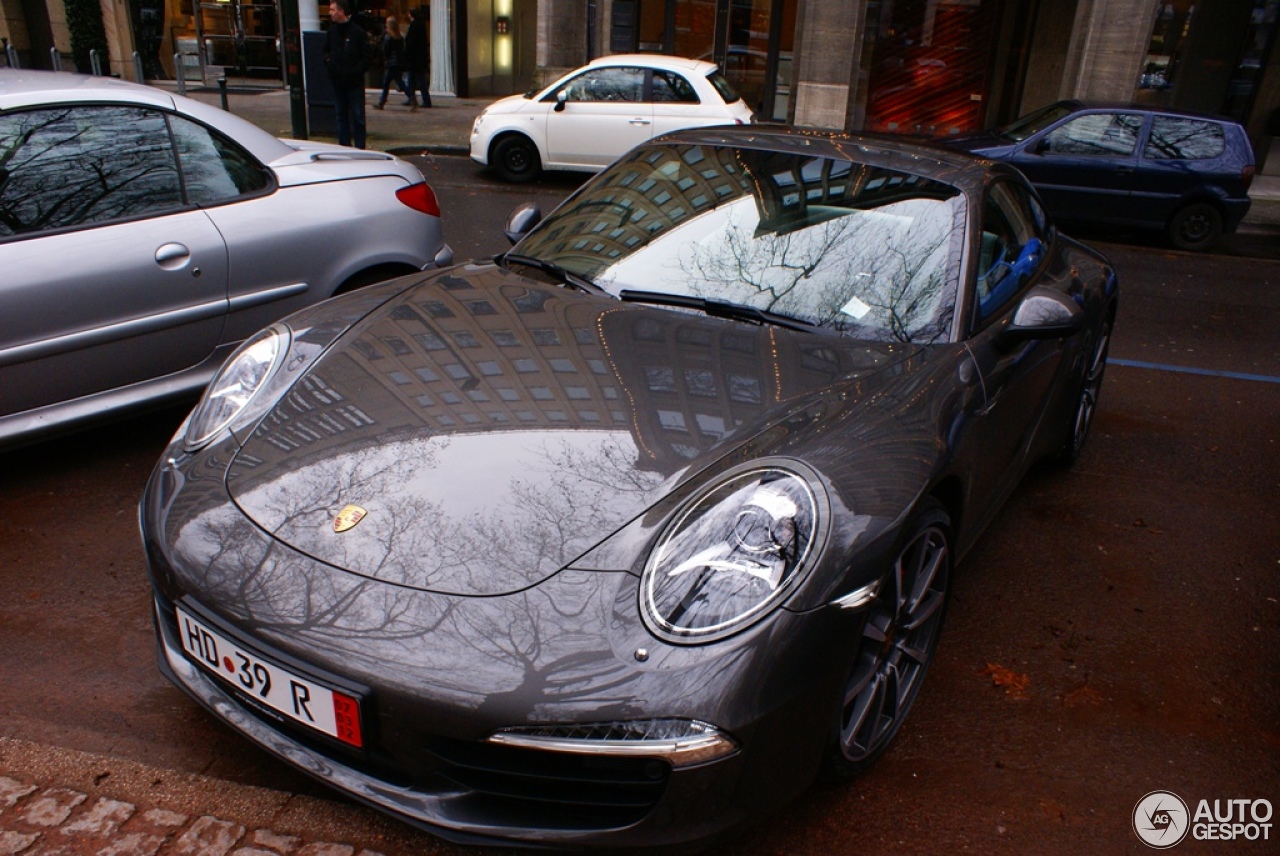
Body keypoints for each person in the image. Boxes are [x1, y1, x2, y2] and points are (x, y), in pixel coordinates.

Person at [323, 0, 369, 147]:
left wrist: (355, 71)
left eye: (333, 10)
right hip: (338, 80)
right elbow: (326, 51)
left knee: (357, 116)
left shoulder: (357, 32)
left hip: (353, 81)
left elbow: (366, 57)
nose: (330, 13)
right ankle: (344, 145)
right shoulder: (332, 31)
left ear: (341, 11)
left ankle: (360, 146)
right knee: (341, 115)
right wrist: (329, 63)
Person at [373, 16, 410, 110]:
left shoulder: (388, 36)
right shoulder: (400, 37)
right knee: (390, 83)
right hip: (397, 62)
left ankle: (412, 98)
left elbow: (386, 50)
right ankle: (381, 102)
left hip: (391, 63)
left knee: (396, 83)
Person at [403, 6, 432, 111]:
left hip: (414, 58)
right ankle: (422, 99)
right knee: (420, 80)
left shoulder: (414, 25)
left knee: (413, 80)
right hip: (420, 58)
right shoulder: (421, 25)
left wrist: (406, 53)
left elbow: (410, 42)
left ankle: (412, 99)